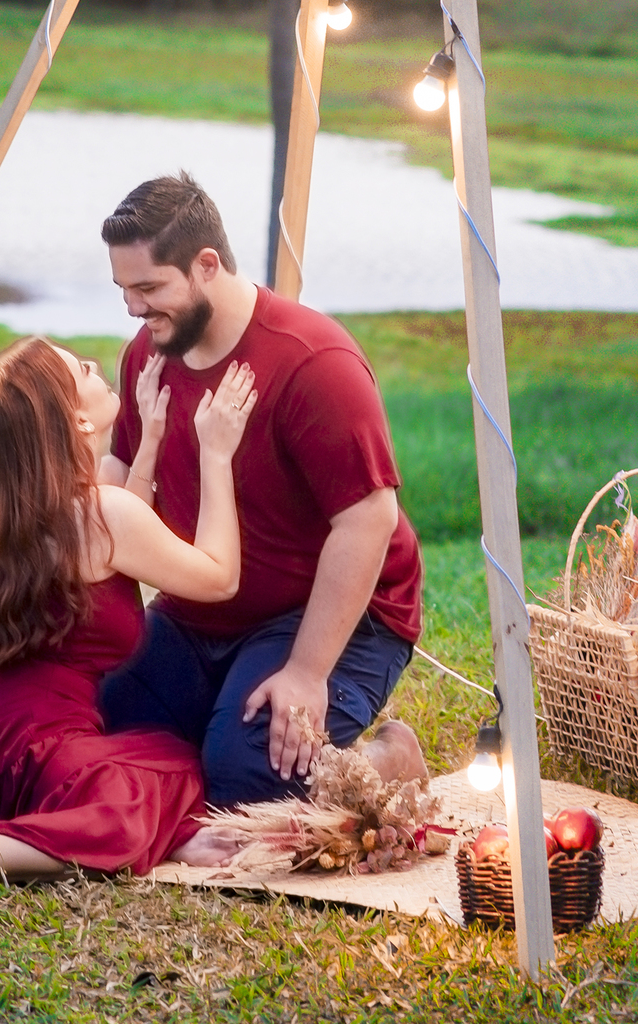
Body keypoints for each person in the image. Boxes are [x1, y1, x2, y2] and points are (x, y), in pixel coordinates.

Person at [0, 335, 258, 905]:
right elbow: (219, 577)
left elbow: (122, 547)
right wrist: (217, 452)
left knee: (143, 763)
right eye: (82, 369)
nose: (95, 365)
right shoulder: (101, 515)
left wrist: (151, 438)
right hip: (29, 746)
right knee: (172, 768)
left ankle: (147, 834)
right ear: (77, 423)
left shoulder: (24, 510)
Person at [96, 172, 426, 807]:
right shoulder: (148, 354)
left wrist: (306, 674)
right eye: (123, 290)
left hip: (334, 616)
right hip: (199, 608)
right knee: (106, 727)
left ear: (206, 265)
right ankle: (217, 718)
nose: (134, 310)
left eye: (148, 288)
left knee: (246, 780)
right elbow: (123, 476)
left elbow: (369, 521)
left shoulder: (315, 362)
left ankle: (389, 759)